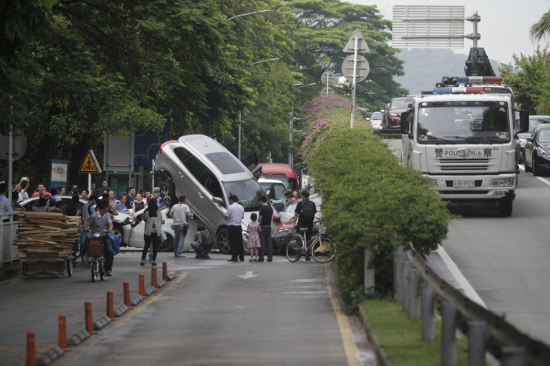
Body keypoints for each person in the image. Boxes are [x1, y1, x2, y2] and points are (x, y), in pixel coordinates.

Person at [83, 199, 114, 276]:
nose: (108, 208)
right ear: (105, 207)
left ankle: (108, 269)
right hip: (95, 237)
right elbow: (85, 224)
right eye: (107, 207)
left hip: (104, 236)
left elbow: (110, 224)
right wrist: (86, 228)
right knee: (89, 249)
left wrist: (110, 229)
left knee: (110, 251)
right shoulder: (94, 216)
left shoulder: (107, 215)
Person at [293, 190, 317, 260]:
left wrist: (294, 223)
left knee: (298, 238)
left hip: (301, 223)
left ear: (302, 196)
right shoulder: (312, 203)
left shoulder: (300, 203)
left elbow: (296, 214)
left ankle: (298, 254)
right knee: (308, 239)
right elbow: (314, 212)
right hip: (309, 224)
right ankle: (307, 255)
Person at [140, 199, 162, 266]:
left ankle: (143, 260)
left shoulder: (147, 213)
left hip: (148, 232)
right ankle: (153, 260)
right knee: (155, 247)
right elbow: (160, 220)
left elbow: (145, 219)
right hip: (156, 232)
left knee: (146, 246)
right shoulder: (159, 213)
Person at [225, 194, 244, 262]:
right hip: (239, 226)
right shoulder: (241, 207)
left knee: (233, 242)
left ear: (232, 200)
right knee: (240, 242)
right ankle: (241, 256)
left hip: (232, 226)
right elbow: (242, 217)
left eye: (230, 200)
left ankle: (234, 256)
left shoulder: (230, 207)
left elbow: (227, 216)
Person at [258, 196, 274, 262]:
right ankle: (270, 257)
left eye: (259, 201)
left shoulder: (262, 208)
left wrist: (258, 225)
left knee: (262, 242)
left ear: (261, 201)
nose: (259, 203)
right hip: (269, 226)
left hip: (263, 227)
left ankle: (261, 257)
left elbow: (260, 218)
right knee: (269, 243)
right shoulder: (270, 208)